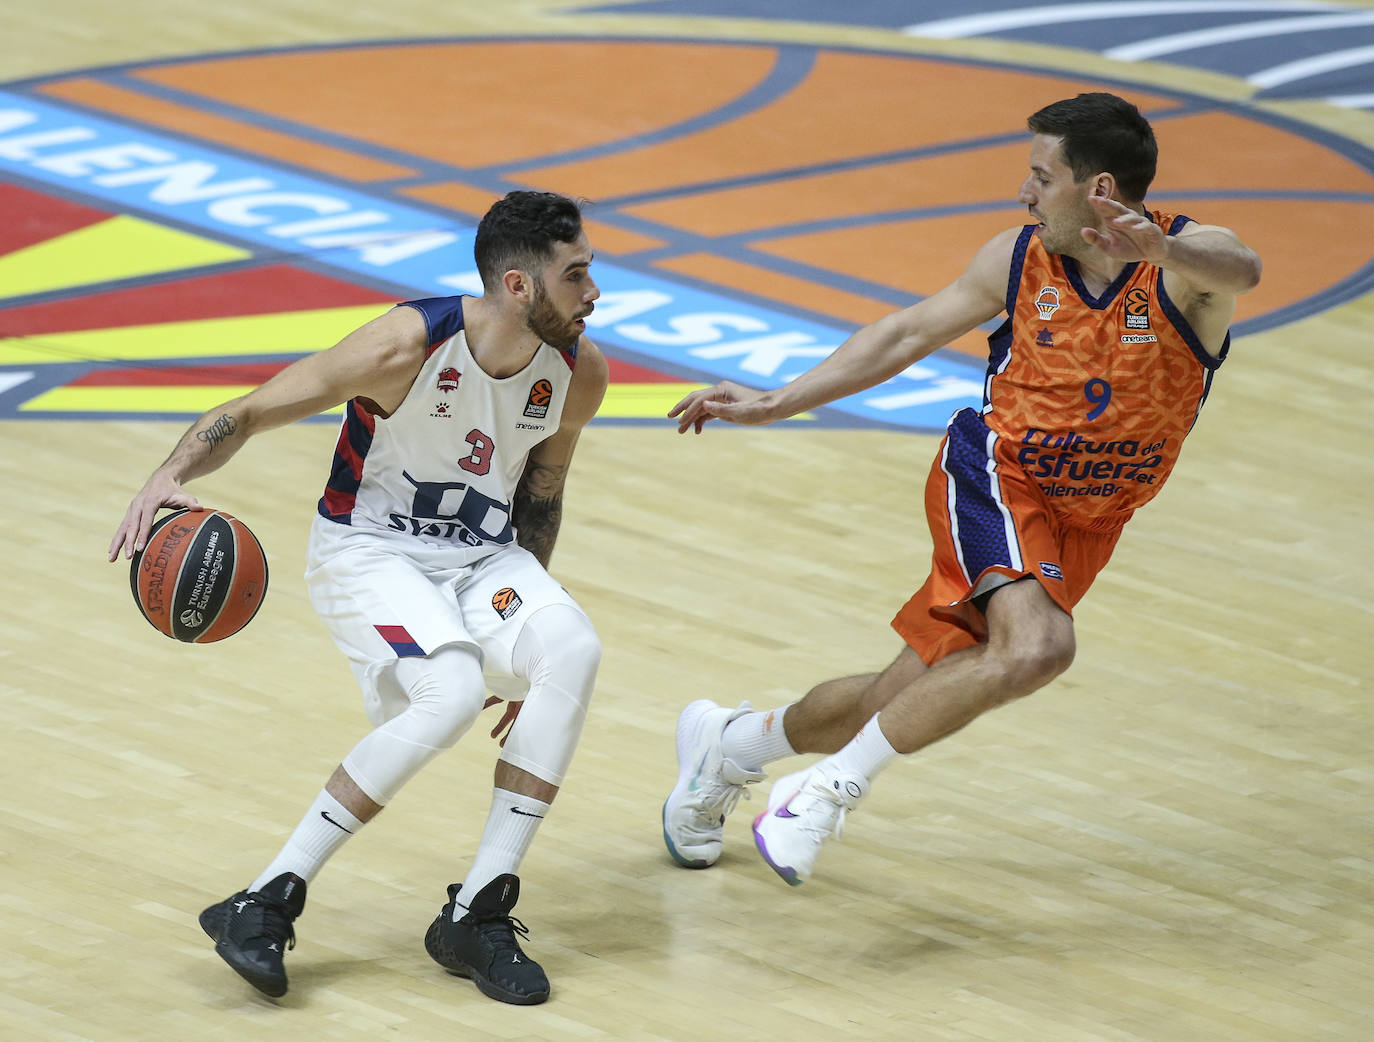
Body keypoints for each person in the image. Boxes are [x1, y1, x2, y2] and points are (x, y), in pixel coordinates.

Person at [660, 92, 1261, 886]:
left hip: (1088, 520)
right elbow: (907, 331)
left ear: (1101, 190)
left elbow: (1242, 267)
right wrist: (777, 401)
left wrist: (1162, 250)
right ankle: (824, 790)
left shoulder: (1187, 274)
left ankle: (734, 744)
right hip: (995, 476)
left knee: (898, 694)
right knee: (1039, 648)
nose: (1025, 193)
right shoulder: (1016, 258)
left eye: (1042, 178)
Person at [109, 190, 608, 1004]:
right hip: (367, 550)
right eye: (577, 274)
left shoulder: (577, 373)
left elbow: (541, 498)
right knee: (447, 694)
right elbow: (255, 408)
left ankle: (476, 914)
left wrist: (530, 653)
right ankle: (263, 899)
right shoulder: (407, 345)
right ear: (518, 287)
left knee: (572, 651)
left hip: (483, 560)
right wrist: (171, 474)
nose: (594, 294)